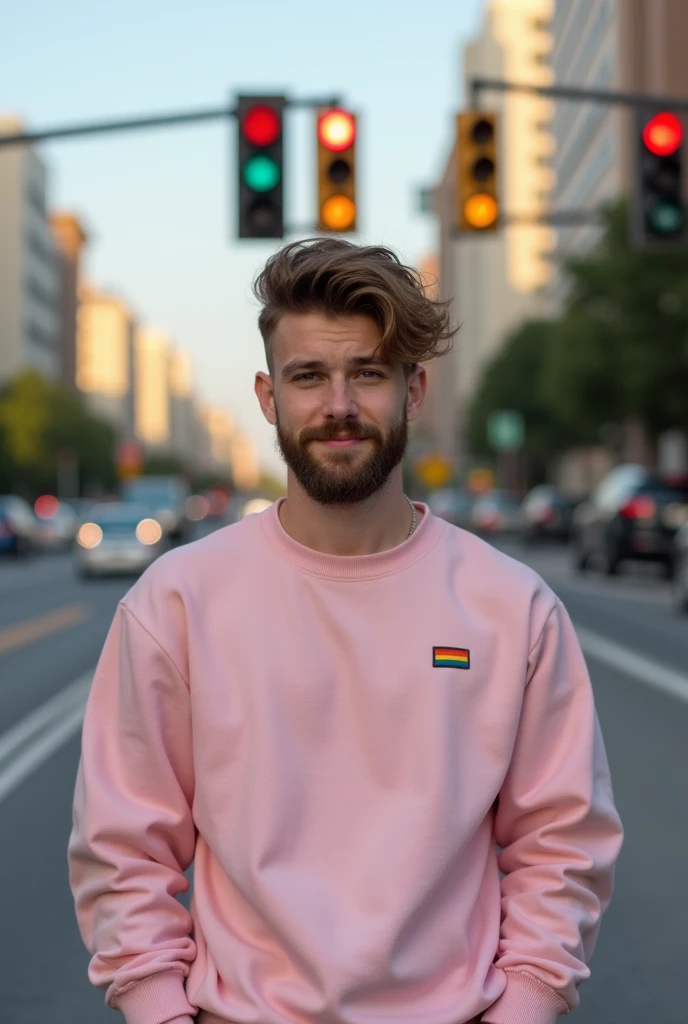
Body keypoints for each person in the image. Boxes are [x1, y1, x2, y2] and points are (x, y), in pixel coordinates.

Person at [68, 239, 623, 1024]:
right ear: (268, 396)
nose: (338, 405)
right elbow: (124, 844)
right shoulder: (178, 602)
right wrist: (159, 1009)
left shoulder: (511, 605)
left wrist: (524, 1005)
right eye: (307, 377)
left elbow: (561, 843)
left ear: (414, 390)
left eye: (367, 372)